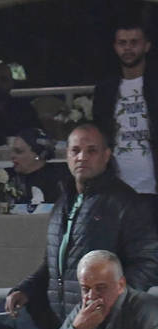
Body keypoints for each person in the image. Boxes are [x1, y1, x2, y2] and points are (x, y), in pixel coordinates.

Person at [5, 124, 158, 329]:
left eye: (91, 151)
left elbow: (148, 264)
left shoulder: (127, 203)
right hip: (66, 325)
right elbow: (53, 265)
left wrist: (109, 303)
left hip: (106, 327)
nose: (82, 157)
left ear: (106, 155)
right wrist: (26, 289)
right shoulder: (62, 202)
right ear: (67, 155)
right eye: (75, 151)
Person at [93, 20, 158, 214]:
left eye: (134, 42)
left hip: (152, 186)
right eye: (122, 43)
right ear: (115, 47)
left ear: (147, 46)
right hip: (115, 186)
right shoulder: (105, 90)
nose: (128, 48)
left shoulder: (155, 86)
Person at [8, 127, 71, 204]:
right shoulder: (8, 177)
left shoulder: (57, 179)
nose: (12, 156)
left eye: (19, 151)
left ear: (37, 154)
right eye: (12, 151)